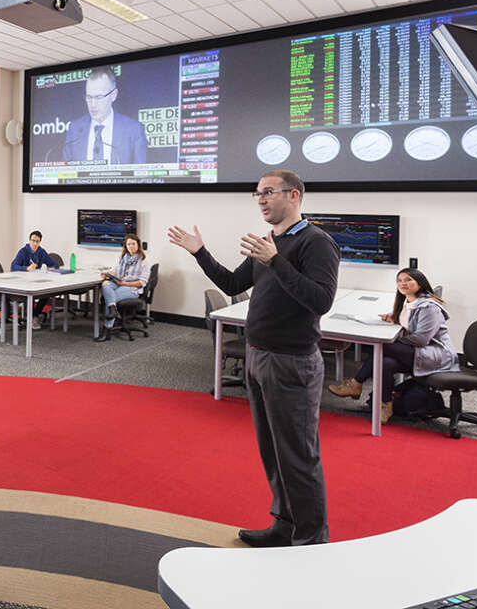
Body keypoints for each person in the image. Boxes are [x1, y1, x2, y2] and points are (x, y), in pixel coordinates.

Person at [167, 169, 339, 549]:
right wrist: (200, 252)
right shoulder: (268, 241)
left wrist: (277, 261)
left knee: (298, 456)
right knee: (273, 452)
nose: (261, 199)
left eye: (268, 192)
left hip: (291, 362)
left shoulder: (316, 242)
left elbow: (320, 300)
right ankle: (285, 524)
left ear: (294, 196)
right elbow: (231, 284)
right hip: (258, 356)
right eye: (257, 193)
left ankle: (311, 541)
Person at [328, 268, 458, 422]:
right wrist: (393, 318)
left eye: (408, 280)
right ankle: (386, 405)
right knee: (385, 362)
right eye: (400, 280)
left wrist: (392, 340)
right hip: (418, 352)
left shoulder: (429, 307)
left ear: (420, 283)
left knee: (381, 345)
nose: (403, 283)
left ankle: (356, 383)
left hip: (435, 355)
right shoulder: (408, 302)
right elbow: (410, 323)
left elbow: (421, 339)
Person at [61, 68, 148, 165]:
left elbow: (142, 175)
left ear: (113, 95)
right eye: (89, 97)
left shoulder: (134, 130)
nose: (93, 104)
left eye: (99, 97)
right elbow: (65, 173)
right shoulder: (75, 129)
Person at [95, 233, 151, 338]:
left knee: (111, 297)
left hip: (132, 288)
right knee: (106, 284)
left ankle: (107, 330)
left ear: (138, 245)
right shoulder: (122, 258)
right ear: (126, 246)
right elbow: (114, 271)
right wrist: (107, 274)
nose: (131, 246)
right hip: (119, 283)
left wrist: (124, 283)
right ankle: (113, 309)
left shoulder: (144, 261)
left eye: (133, 244)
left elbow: (142, 283)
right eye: (128, 244)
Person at [10, 230, 60, 330]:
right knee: (31, 295)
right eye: (33, 241)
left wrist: (51, 268)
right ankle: (33, 317)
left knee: (47, 293)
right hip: (22, 281)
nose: (35, 243)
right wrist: (26, 268)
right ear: (29, 240)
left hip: (36, 280)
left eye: (37, 241)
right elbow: (13, 267)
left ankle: (34, 315)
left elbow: (55, 264)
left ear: (40, 241)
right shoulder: (23, 251)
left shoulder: (41, 251)